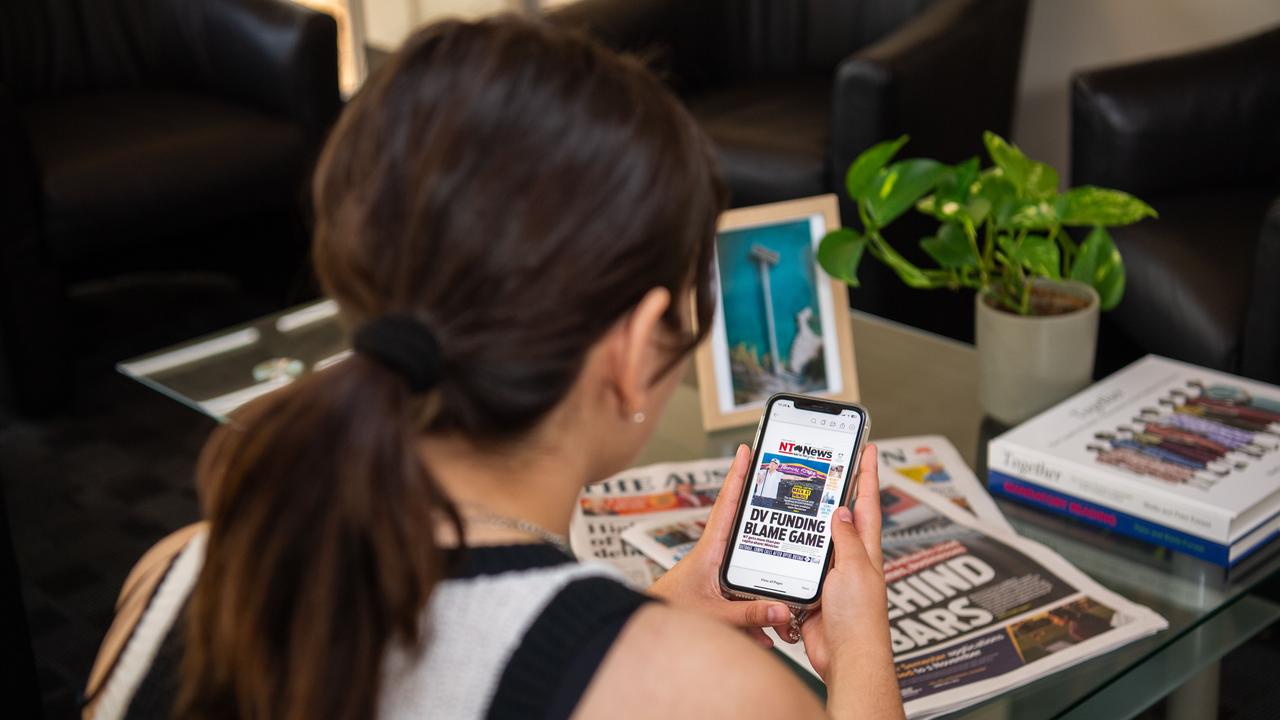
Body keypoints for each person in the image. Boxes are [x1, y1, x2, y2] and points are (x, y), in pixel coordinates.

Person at [83, 16, 903, 720]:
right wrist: (862, 655)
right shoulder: (710, 693)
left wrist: (645, 616)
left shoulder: (176, 578)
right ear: (632, 346)